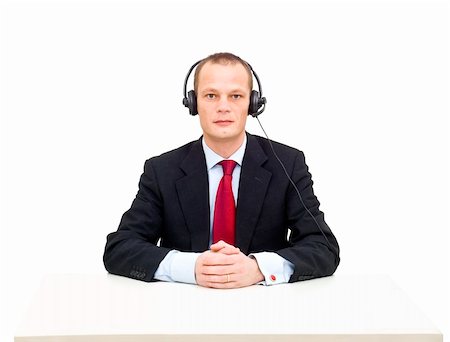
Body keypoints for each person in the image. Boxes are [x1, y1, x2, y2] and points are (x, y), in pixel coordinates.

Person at [103, 52, 339, 289]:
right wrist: (192, 267)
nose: (223, 107)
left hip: (265, 309)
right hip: (181, 307)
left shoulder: (288, 164)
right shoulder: (161, 170)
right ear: (193, 103)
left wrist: (258, 268)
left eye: (236, 96)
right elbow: (120, 248)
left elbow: (323, 247)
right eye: (211, 95)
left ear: (253, 103)